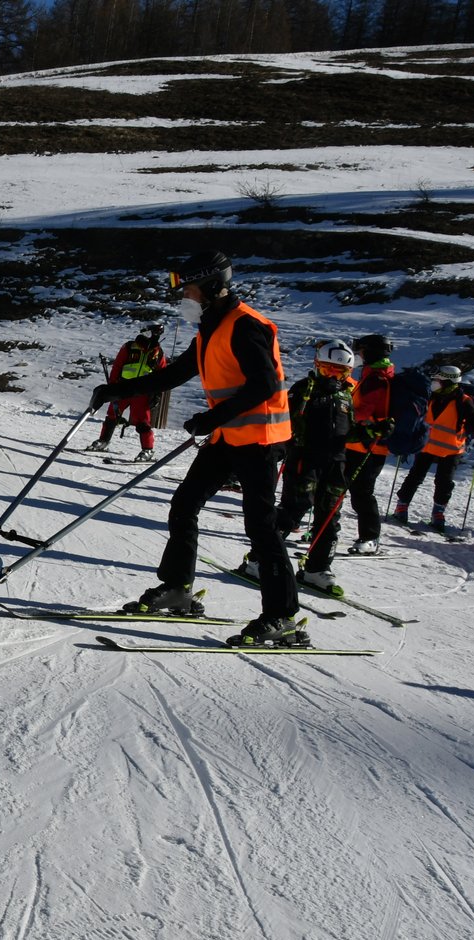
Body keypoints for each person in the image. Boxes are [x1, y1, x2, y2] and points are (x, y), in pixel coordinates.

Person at [91, 249, 302, 647]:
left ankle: (282, 616)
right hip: (228, 436)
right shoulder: (210, 327)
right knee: (185, 503)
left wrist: (212, 418)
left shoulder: (246, 326)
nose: (184, 297)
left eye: (188, 288)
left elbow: (265, 386)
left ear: (212, 288)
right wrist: (115, 391)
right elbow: (174, 374)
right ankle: (177, 589)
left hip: (261, 440)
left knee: (260, 527)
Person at [250, 339, 354, 595]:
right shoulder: (305, 389)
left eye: (338, 371)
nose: (332, 375)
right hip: (305, 458)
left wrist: (369, 432)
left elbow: (346, 432)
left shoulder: (346, 396)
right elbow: (283, 420)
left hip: (336, 463)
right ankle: (257, 559)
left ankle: (316, 568)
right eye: (327, 369)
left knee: (329, 516)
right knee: (292, 510)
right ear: (317, 365)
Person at [393, 365, 474, 532]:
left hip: (451, 449)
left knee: (444, 482)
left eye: (438, 380)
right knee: (415, 477)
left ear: (447, 381)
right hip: (427, 445)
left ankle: (438, 513)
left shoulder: (464, 401)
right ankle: (402, 506)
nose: (434, 382)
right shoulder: (431, 396)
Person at [343, 334, 397, 554]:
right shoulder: (379, 375)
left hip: (366, 445)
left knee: (361, 492)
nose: (359, 355)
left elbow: (361, 411)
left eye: (361, 351)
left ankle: (370, 538)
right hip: (364, 444)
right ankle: (327, 530)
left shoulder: (376, 379)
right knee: (350, 489)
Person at [84, 324, 167, 460]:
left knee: (142, 421)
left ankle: (148, 450)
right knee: (112, 414)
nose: (151, 335)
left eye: (155, 333)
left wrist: (157, 394)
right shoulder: (129, 347)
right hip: (122, 387)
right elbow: (117, 365)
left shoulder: (158, 353)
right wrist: (112, 386)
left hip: (142, 392)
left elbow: (162, 376)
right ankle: (103, 441)